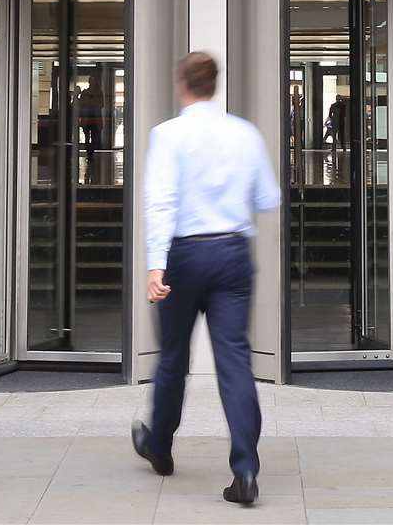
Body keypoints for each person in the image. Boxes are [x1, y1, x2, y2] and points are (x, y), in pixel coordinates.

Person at [132, 51, 281, 506]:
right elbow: (268, 196)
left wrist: (156, 265)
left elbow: (160, 202)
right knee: (235, 359)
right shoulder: (244, 133)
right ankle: (246, 470)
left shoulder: (168, 135)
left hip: (184, 255)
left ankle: (159, 446)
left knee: (174, 354)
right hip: (233, 253)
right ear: (216, 85)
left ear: (183, 84)